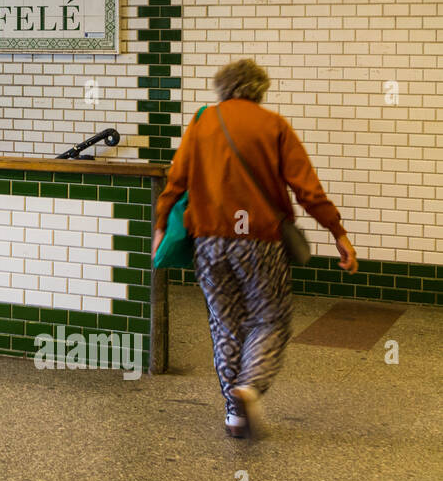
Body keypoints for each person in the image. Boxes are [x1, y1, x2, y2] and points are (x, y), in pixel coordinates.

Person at [153, 59, 358, 439]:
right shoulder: (273, 126)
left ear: (223, 87)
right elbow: (307, 189)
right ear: (260, 88)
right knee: (270, 318)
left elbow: (176, 179)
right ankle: (250, 386)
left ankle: (234, 414)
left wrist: (161, 224)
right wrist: (337, 232)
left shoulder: (202, 123)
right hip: (259, 240)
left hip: (210, 241)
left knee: (225, 324)